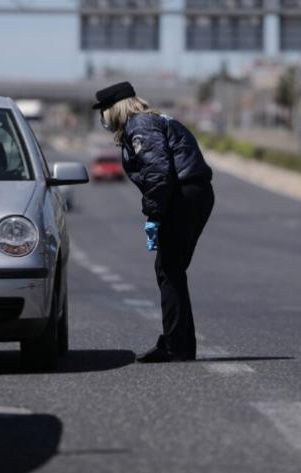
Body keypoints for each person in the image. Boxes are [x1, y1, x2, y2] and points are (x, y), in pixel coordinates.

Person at [93, 81, 214, 363]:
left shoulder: (141, 126)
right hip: (192, 192)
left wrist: (154, 215)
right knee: (172, 270)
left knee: (169, 270)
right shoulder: (152, 120)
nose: (102, 118)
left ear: (115, 109)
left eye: (104, 110)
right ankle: (181, 343)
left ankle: (175, 345)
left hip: (182, 195)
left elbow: (158, 172)